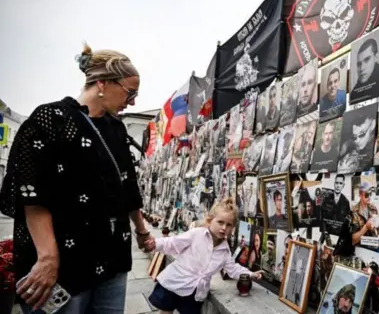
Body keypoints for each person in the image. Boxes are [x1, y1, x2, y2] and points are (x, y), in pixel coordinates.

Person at [0, 43, 153, 313]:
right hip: (64, 264)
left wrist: (141, 231)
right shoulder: (51, 119)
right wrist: (47, 258)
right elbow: (32, 193)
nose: (133, 101)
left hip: (113, 258)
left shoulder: (116, 129)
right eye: (131, 92)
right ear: (103, 83)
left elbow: (127, 188)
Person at [144, 198, 263, 314]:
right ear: (210, 220)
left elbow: (233, 269)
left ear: (232, 228)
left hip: (195, 294)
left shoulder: (225, 251)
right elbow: (174, 243)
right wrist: (156, 244)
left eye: (229, 225)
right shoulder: (196, 234)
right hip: (174, 282)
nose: (224, 228)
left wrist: (251, 274)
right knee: (165, 312)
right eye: (220, 222)